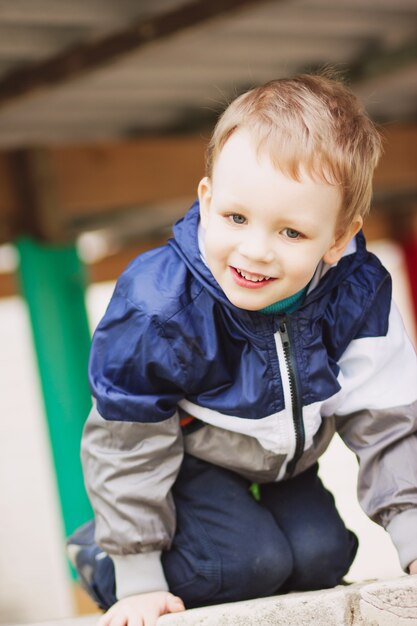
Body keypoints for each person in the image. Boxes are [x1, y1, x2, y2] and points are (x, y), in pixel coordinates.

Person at [67, 73, 417, 626]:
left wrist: (412, 535)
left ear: (338, 238)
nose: (255, 252)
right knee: (246, 564)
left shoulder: (357, 292)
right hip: (188, 462)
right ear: (207, 201)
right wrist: (137, 575)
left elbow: (388, 419)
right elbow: (125, 440)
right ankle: (101, 559)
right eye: (236, 218)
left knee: (323, 557)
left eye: (291, 233)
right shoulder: (160, 306)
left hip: (286, 463)